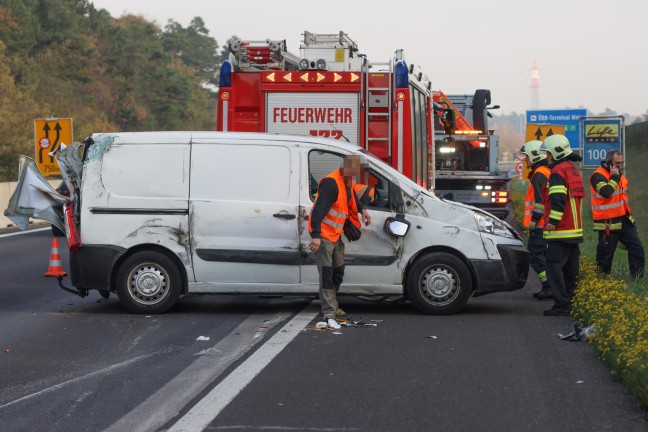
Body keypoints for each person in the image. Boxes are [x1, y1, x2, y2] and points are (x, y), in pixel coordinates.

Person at [308, 155, 371, 329]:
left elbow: (352, 198)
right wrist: (316, 236)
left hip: (335, 235)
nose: (356, 177)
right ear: (345, 168)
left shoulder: (346, 181)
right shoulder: (332, 183)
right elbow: (317, 212)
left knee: (338, 272)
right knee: (327, 274)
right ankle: (329, 311)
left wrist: (362, 210)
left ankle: (332, 305)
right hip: (325, 236)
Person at [540, 134, 585, 316]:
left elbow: (557, 200)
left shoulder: (558, 171)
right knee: (570, 269)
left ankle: (561, 305)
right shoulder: (572, 169)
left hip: (560, 230)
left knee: (554, 268)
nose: (547, 157)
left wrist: (553, 222)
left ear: (557, 153)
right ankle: (571, 302)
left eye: (549, 154)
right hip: (574, 230)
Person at [590, 150, 645, 278]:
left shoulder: (618, 173)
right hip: (607, 222)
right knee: (605, 255)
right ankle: (601, 282)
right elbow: (606, 192)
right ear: (609, 161)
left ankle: (637, 279)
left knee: (637, 249)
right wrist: (615, 176)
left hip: (623, 220)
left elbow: (622, 196)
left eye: (621, 163)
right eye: (617, 162)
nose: (620, 165)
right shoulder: (598, 175)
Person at [520, 140, 552, 300]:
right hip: (543, 223)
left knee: (535, 254)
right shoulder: (544, 171)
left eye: (526, 156)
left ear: (533, 155)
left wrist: (534, 221)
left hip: (539, 225)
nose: (525, 160)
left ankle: (548, 286)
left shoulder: (539, 174)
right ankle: (551, 285)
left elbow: (540, 202)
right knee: (543, 255)